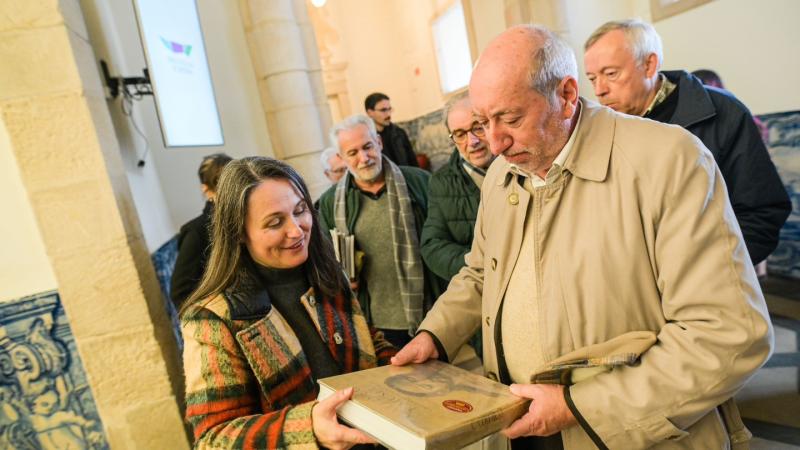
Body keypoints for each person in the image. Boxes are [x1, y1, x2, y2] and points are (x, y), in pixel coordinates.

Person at [393, 24, 773, 449]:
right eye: (483, 122)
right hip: (522, 419)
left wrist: (579, 405)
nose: (495, 143)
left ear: (567, 94)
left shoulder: (667, 160)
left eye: (511, 118)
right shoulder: (505, 173)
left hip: (625, 430)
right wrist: (435, 335)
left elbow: (728, 335)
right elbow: (481, 272)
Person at [181, 156, 395, 449]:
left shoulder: (326, 272)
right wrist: (309, 428)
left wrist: (402, 364)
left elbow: (365, 344)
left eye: (300, 210)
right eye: (275, 222)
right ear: (240, 233)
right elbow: (214, 438)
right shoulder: (213, 318)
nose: (296, 230)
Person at [583, 19, 790, 264]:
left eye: (610, 74)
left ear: (649, 65)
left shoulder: (723, 112)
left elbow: (761, 212)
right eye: (592, 78)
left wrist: (708, 270)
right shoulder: (603, 127)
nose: (599, 90)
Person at [318, 115, 444, 348]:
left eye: (367, 147)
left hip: (431, 310)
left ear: (379, 142)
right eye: (352, 153)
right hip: (377, 322)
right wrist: (341, 278)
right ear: (342, 158)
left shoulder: (420, 183)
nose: (364, 158)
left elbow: (444, 240)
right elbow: (324, 260)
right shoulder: (329, 204)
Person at [421, 91, 495, 281]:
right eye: (460, 134)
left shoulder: (519, 164)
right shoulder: (441, 182)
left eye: (477, 128)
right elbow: (433, 245)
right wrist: (480, 265)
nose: (472, 142)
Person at [170, 153, 232, 309]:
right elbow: (180, 292)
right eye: (218, 183)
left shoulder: (248, 217)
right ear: (205, 189)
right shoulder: (197, 230)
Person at [364, 92, 419, 167]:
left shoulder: (399, 133)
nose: (388, 114)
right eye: (383, 110)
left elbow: (413, 162)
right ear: (370, 113)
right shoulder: (367, 139)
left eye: (389, 109)